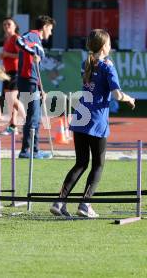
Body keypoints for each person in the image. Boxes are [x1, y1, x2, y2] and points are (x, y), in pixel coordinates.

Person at [50, 29, 135, 218]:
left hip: (80, 117)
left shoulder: (85, 63)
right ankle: (85, 205)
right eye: (110, 43)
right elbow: (116, 94)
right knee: (98, 164)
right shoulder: (107, 67)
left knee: (80, 163)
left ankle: (59, 202)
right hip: (96, 120)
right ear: (105, 46)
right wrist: (129, 98)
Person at [16, 15, 55, 159]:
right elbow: (19, 40)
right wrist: (32, 52)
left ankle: (31, 149)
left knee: (34, 116)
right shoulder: (32, 35)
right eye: (50, 29)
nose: (50, 33)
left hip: (33, 81)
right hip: (28, 81)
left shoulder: (37, 40)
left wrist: (41, 87)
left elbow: (35, 68)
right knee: (34, 117)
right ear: (45, 26)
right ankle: (30, 150)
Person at [0, 17, 26, 135]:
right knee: (9, 101)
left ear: (15, 26)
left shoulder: (16, 38)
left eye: (9, 24)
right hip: (7, 72)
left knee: (12, 99)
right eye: (4, 24)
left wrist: (7, 54)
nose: (6, 26)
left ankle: (27, 121)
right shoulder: (6, 39)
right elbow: (8, 56)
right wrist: (4, 59)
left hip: (16, 72)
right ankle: (13, 125)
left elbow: (22, 55)